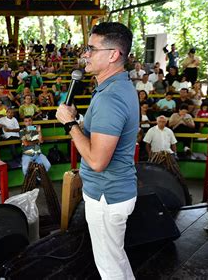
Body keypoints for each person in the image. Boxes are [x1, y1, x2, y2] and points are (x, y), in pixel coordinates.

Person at [56, 22, 138, 279]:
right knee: (117, 258)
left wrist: (69, 124)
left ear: (113, 55)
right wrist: (79, 124)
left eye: (92, 49)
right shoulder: (120, 86)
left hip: (107, 195)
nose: (85, 55)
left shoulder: (110, 97)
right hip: (116, 191)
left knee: (109, 267)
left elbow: (97, 161)